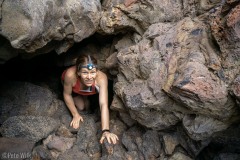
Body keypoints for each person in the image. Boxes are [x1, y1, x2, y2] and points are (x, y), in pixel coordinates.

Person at [61, 54, 119, 144]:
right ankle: (83, 97)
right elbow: (67, 94)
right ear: (78, 72)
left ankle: (85, 96)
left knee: (87, 103)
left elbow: (103, 104)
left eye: (92, 72)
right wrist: (75, 114)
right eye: (85, 72)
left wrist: (105, 131)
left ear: (97, 71)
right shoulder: (70, 75)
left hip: (87, 89)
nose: (89, 76)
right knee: (81, 107)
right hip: (73, 88)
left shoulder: (101, 78)